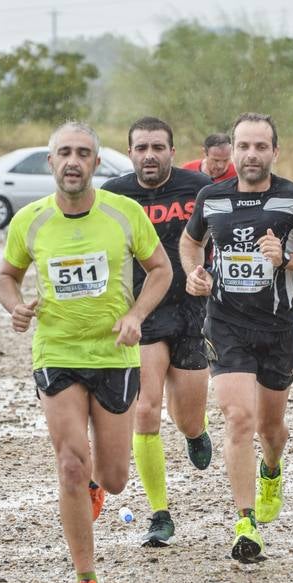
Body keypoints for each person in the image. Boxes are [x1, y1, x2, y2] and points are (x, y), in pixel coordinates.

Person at [0, 121, 172, 583]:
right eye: (64, 153)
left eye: (83, 153)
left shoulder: (124, 213)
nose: (73, 161)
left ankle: (96, 488)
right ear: (51, 162)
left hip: (114, 354)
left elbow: (161, 270)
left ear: (96, 163)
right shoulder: (30, 220)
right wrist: (15, 306)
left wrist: (136, 315)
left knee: (113, 478)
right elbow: (7, 276)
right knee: (71, 464)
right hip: (56, 352)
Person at [179, 112, 293, 561]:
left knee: (270, 429)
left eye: (260, 146)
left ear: (274, 151)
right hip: (225, 324)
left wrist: (286, 259)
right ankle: (245, 523)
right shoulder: (211, 197)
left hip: (278, 329)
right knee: (238, 418)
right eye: (244, 146)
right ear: (232, 150)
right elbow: (191, 242)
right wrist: (194, 272)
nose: (251, 154)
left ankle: (271, 469)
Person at [104, 116, 212, 547]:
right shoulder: (113, 196)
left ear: (172, 151)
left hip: (191, 311)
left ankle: (195, 432)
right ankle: (159, 513)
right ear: (129, 153)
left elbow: (220, 238)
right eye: (141, 148)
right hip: (143, 313)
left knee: (187, 417)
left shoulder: (198, 188)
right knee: (146, 411)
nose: (149, 155)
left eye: (158, 147)